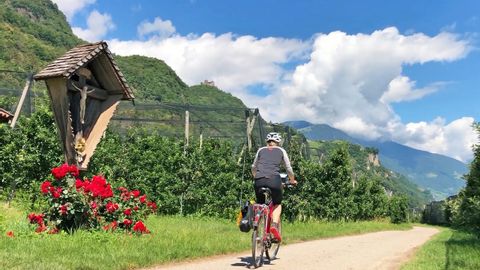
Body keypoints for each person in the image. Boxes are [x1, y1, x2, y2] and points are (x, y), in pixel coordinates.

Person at [251, 132, 296, 242]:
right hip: (274, 180)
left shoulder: (261, 150)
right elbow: (288, 168)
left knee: (260, 203)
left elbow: (254, 166)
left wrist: (256, 176)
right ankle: (274, 226)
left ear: (267, 142)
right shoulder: (281, 151)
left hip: (259, 180)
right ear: (278, 142)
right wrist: (292, 180)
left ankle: (257, 220)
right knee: (277, 204)